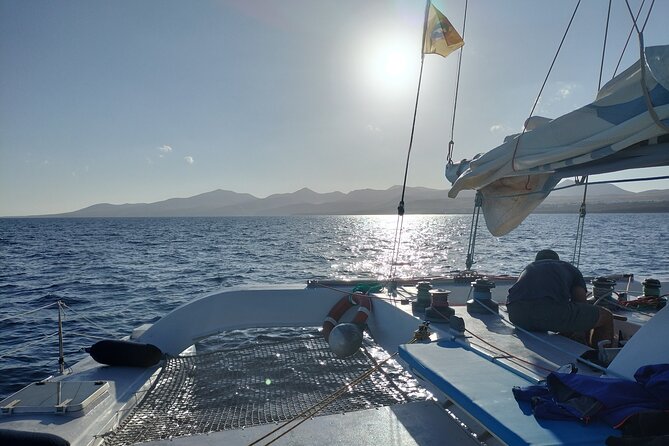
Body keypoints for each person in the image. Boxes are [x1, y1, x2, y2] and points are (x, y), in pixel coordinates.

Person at [506, 249, 614, 348]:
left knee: (556, 314)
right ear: (558, 260)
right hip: (546, 312)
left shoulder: (530, 268)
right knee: (606, 316)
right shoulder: (569, 268)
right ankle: (599, 358)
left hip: (516, 315)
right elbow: (581, 303)